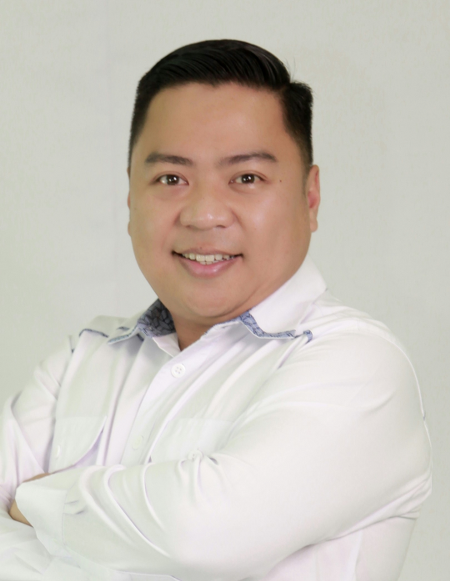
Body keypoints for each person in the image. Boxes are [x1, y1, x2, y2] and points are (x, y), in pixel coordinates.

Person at [1, 39, 431, 581]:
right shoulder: (84, 358)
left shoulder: (360, 365)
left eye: (246, 178)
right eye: (171, 179)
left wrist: (37, 500)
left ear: (310, 197)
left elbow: (201, 534)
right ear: (130, 197)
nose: (204, 214)